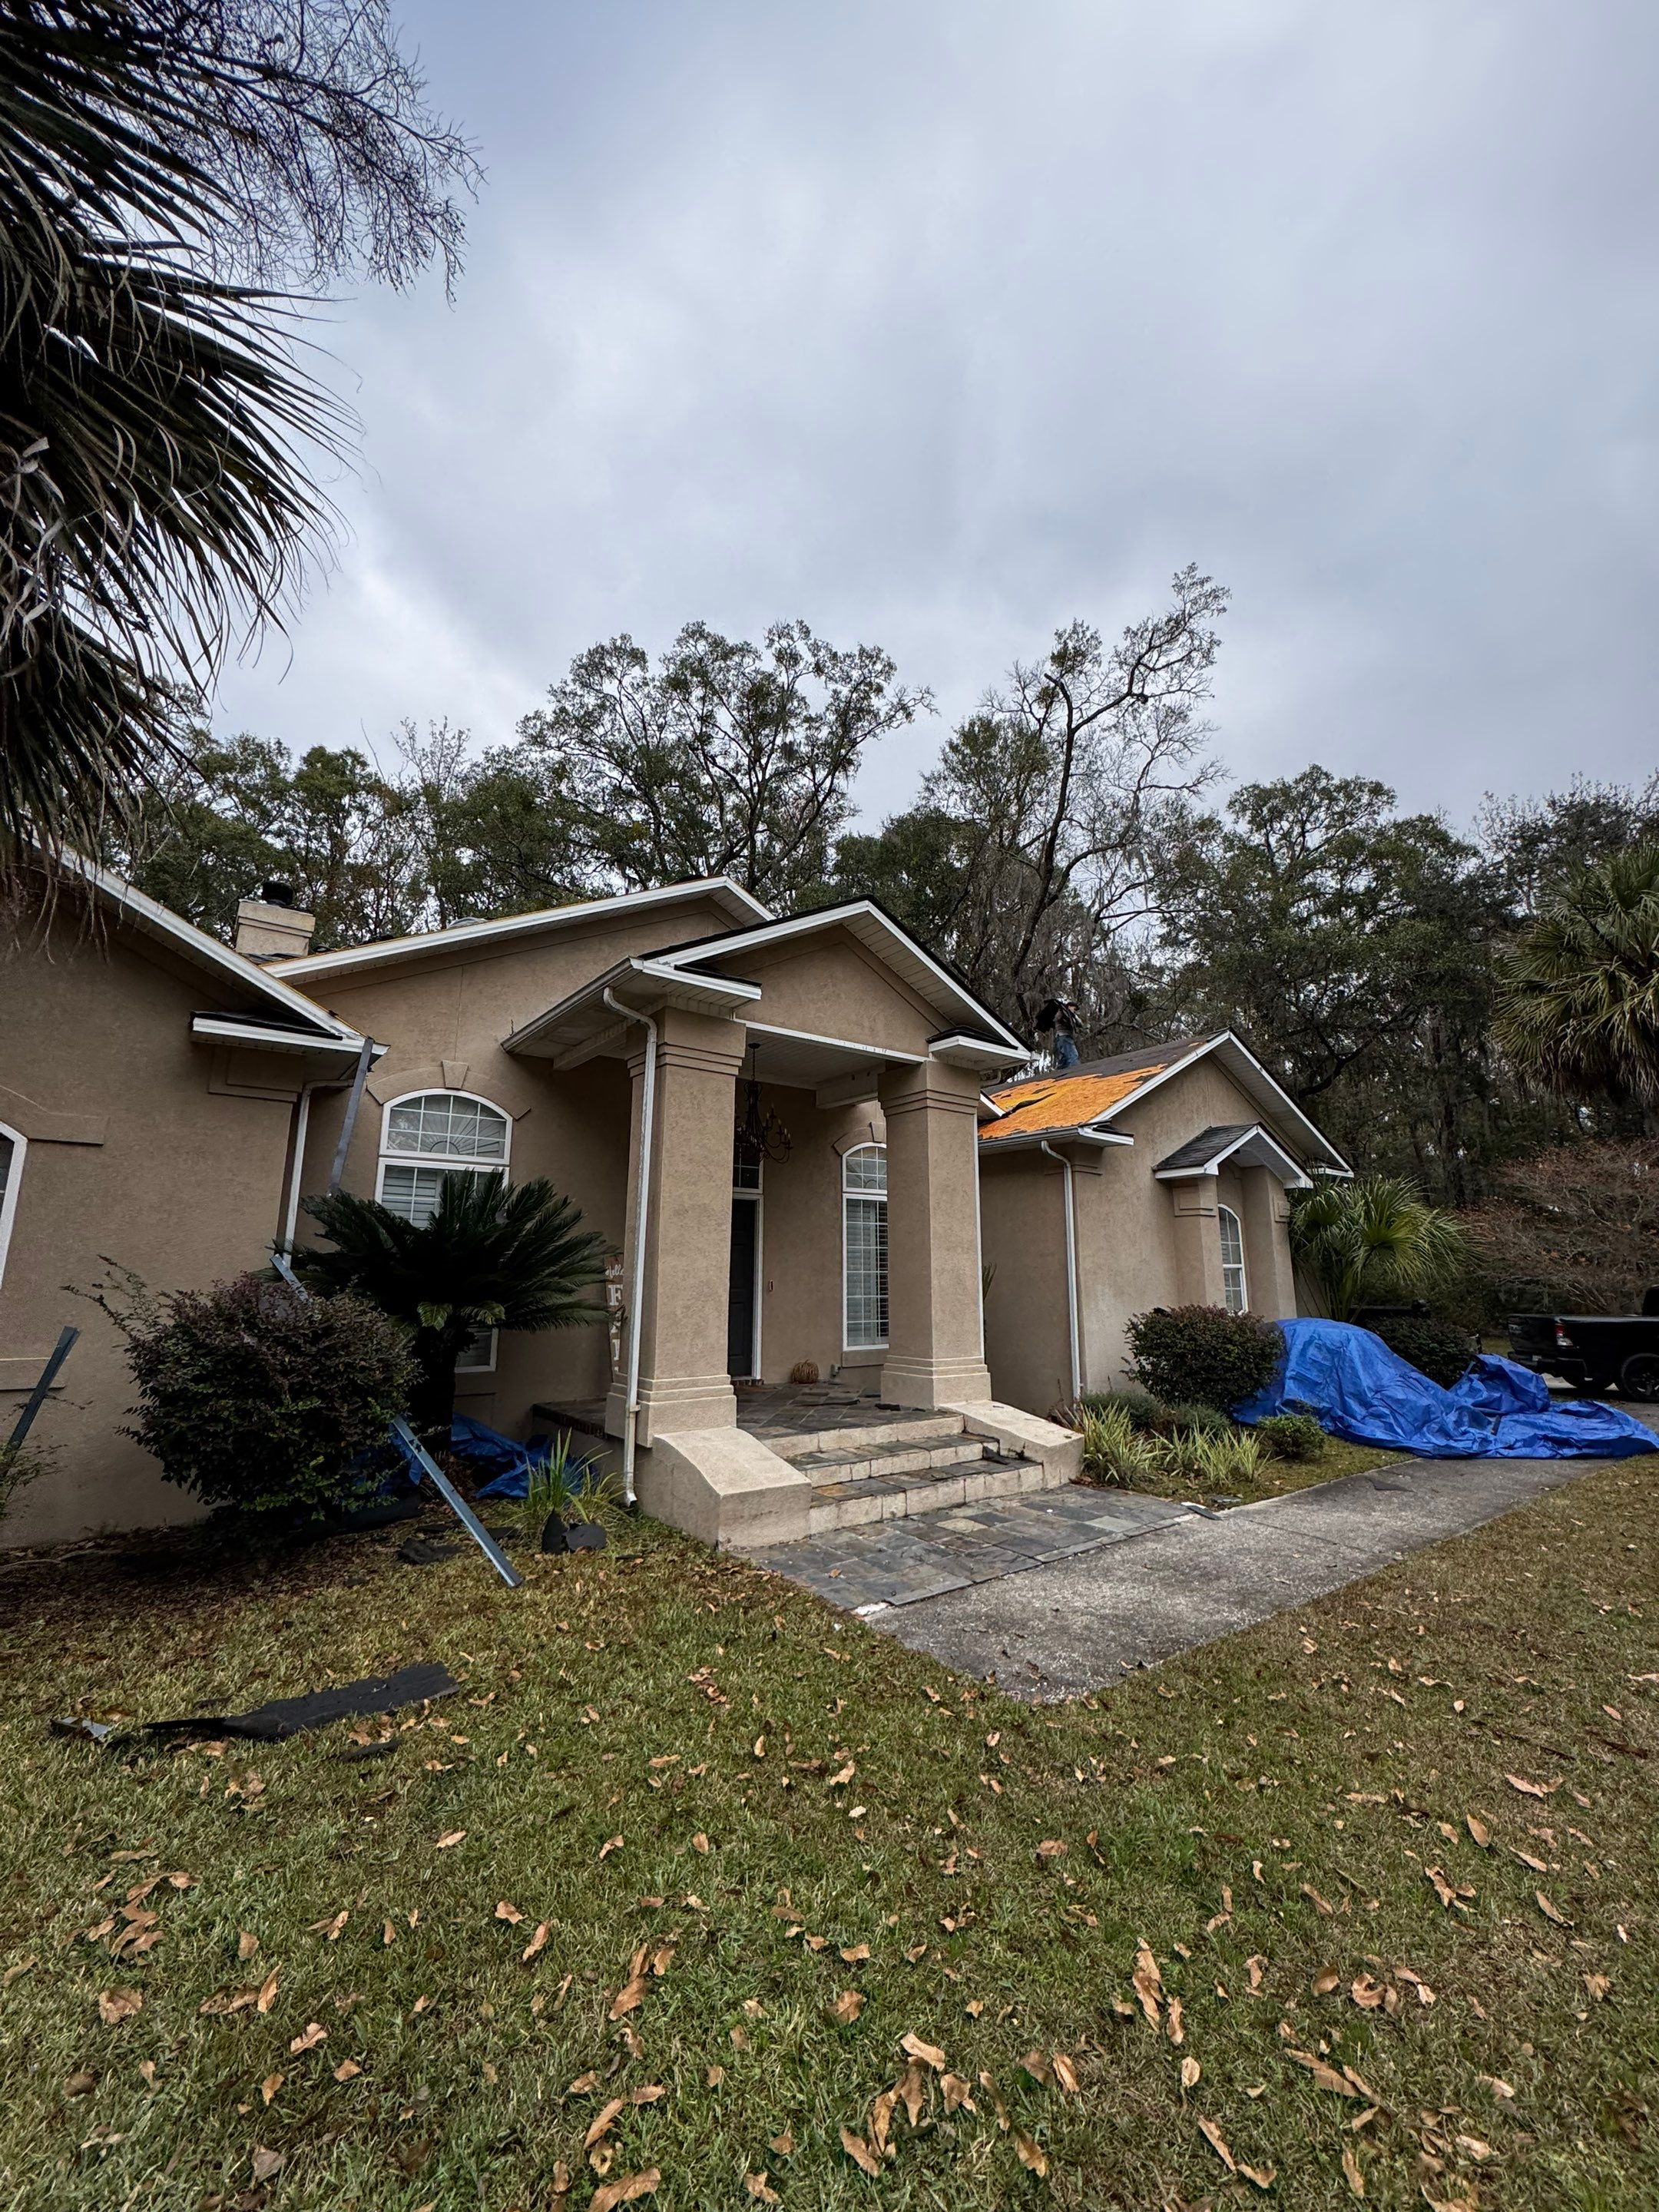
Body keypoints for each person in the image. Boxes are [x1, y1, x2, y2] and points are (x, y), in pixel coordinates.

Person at [1035, 995, 1080, 1069]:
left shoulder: (1071, 1016)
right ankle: (1076, 1069)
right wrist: (1062, 1013)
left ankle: (1060, 1070)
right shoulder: (1062, 1012)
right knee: (1073, 1054)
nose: (1075, 1011)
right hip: (1064, 1035)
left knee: (1064, 1057)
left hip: (1062, 1036)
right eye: (1074, 1009)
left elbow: (1080, 1024)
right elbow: (1056, 1019)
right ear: (1069, 1006)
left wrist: (1074, 1016)